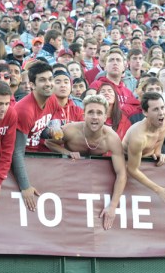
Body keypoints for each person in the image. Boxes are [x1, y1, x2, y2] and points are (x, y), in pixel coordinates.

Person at [44, 94, 127, 229]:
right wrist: (67, 153)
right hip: (68, 179)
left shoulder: (112, 138)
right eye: (91, 112)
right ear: (83, 115)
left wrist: (112, 206)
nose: (95, 116)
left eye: (99, 113)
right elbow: (49, 142)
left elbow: (121, 174)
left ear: (105, 117)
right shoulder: (71, 130)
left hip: (94, 184)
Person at [12, 60, 59, 212]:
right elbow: (16, 151)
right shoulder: (24, 110)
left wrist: (50, 131)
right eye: (42, 80)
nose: (48, 83)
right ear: (32, 85)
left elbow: (38, 128)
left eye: (50, 79)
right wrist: (25, 187)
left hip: (37, 155)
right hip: (20, 158)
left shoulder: (52, 99)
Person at [122, 92, 165, 207]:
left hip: (147, 156)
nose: (161, 113)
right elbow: (132, 169)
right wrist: (159, 190)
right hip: (125, 161)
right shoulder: (139, 137)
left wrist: (158, 152)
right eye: (156, 109)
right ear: (145, 112)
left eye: (162, 107)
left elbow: (160, 136)